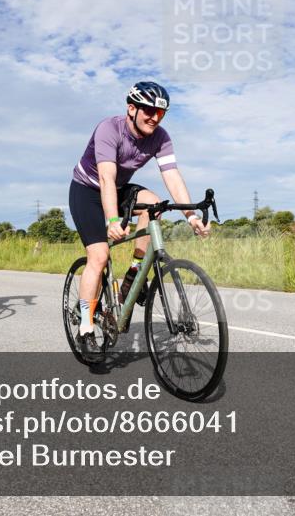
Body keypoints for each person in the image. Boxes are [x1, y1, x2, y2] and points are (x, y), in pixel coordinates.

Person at [69, 81, 210, 358]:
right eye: (148, 111)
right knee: (98, 257)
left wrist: (191, 216)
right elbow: (106, 178)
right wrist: (112, 220)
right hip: (87, 190)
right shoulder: (109, 129)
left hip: (119, 190)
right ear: (131, 108)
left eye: (161, 113)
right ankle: (85, 327)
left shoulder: (161, 136)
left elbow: (172, 175)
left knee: (154, 205)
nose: (154, 118)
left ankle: (134, 273)